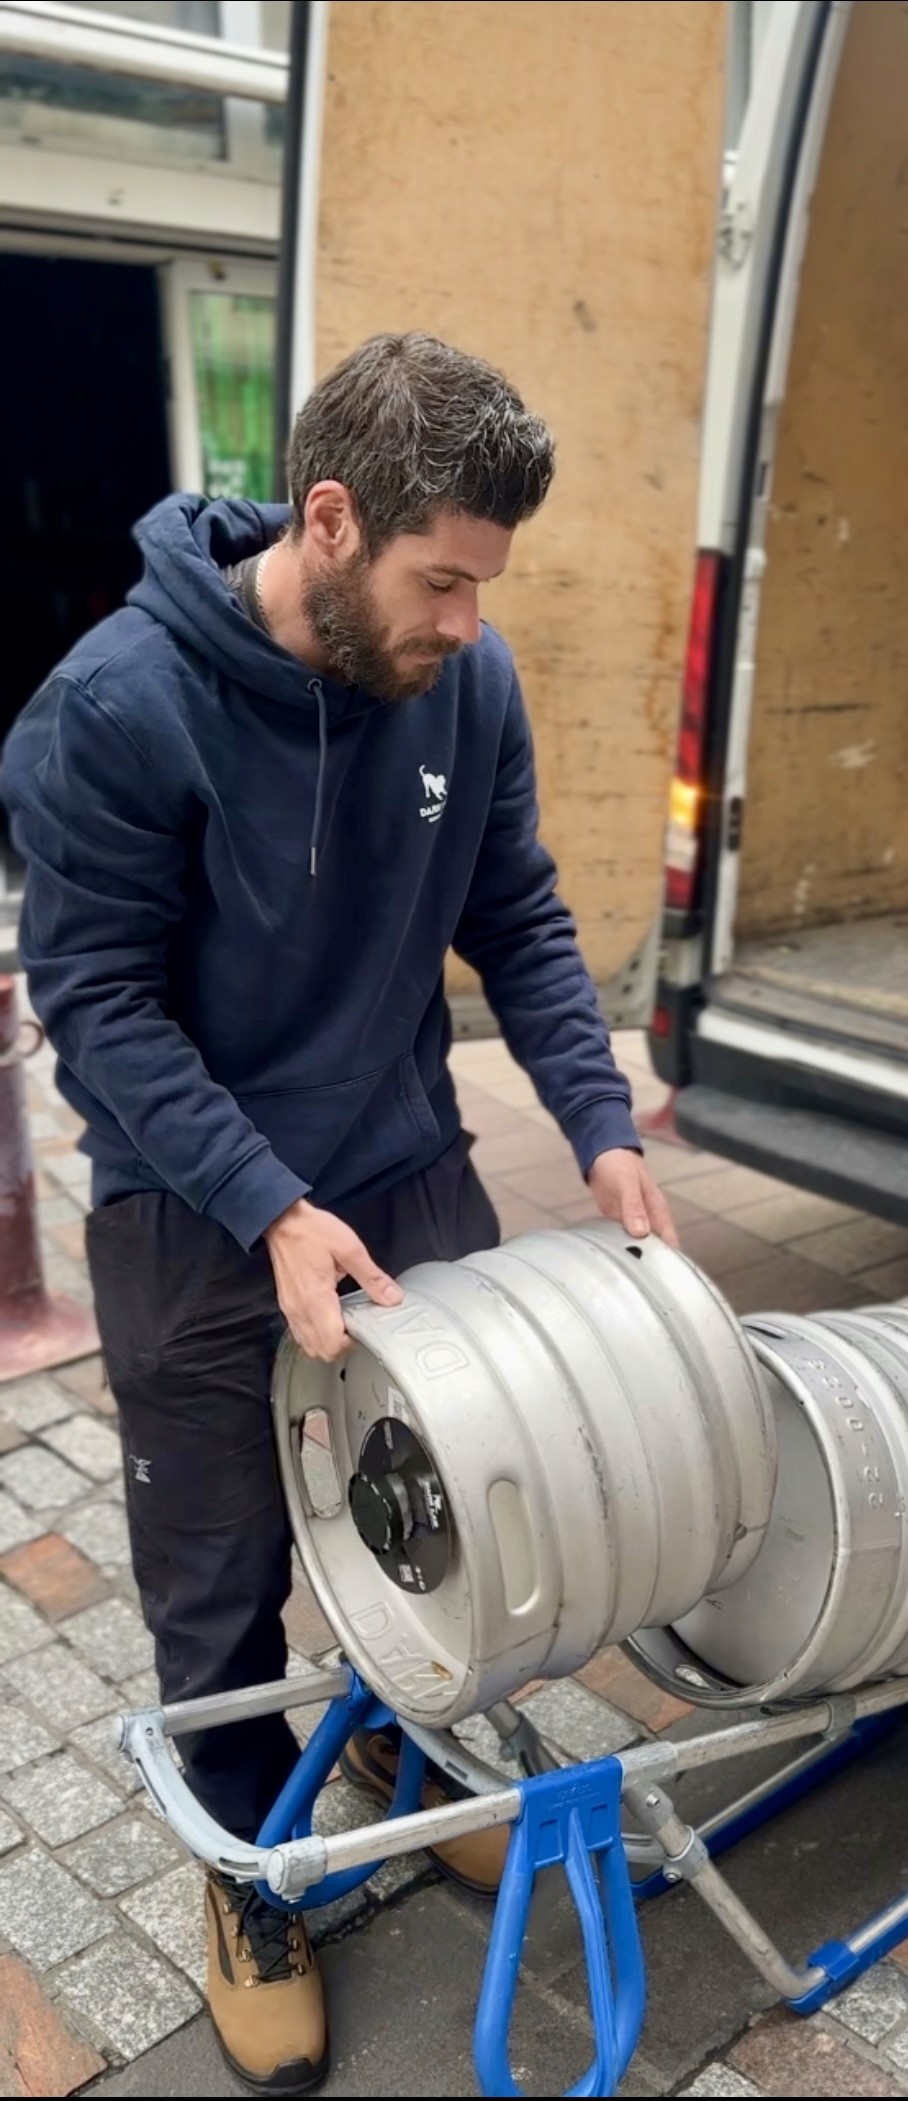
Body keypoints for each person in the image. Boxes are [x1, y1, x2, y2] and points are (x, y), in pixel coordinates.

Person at [0, 332, 675, 2097]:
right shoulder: (115, 709)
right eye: (440, 578)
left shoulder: (469, 682)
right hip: (196, 1209)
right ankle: (247, 1869)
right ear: (327, 520)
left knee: (438, 1524)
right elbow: (98, 1000)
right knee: (220, 1583)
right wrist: (262, 1200)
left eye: (485, 586)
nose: (467, 620)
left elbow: (515, 913)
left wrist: (597, 1130)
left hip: (405, 1159)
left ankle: (403, 1755)